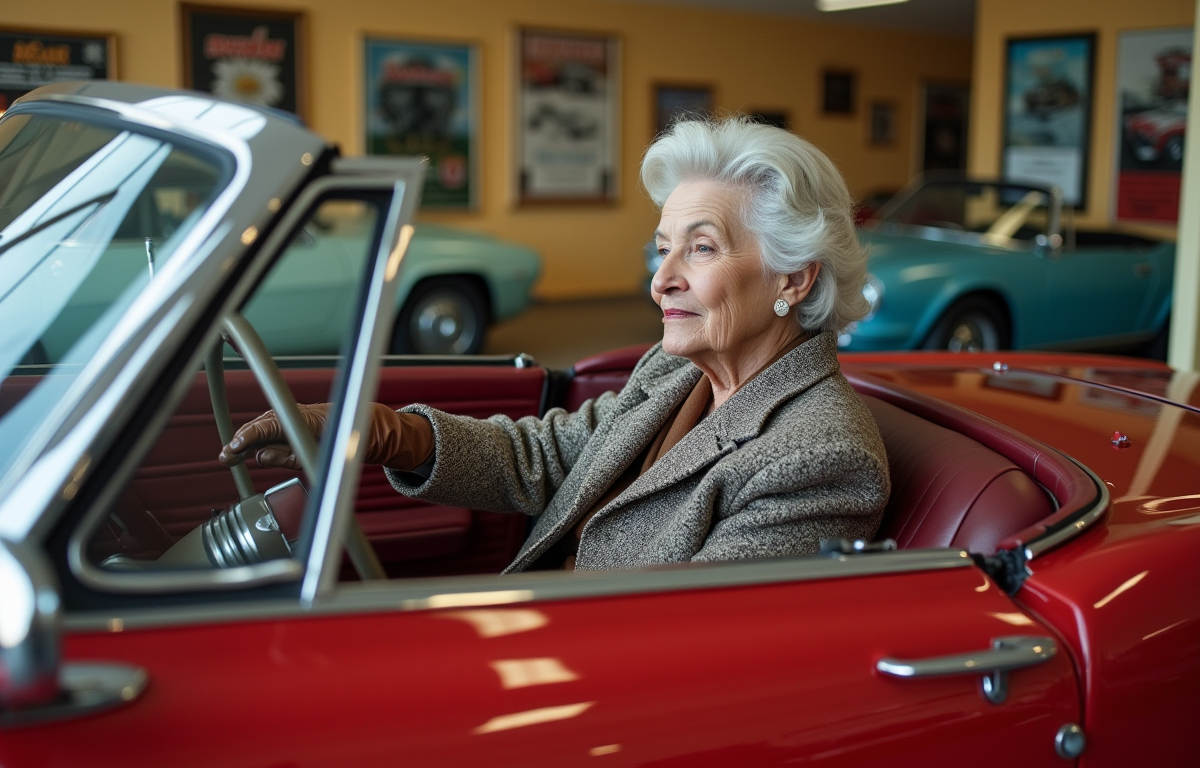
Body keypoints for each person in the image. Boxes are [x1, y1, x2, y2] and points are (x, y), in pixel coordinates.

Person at [220, 116, 890, 572]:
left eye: (701, 248)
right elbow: (551, 457)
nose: (662, 281)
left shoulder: (820, 457)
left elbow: (684, 642)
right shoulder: (672, 372)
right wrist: (385, 434)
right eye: (662, 251)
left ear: (794, 278)